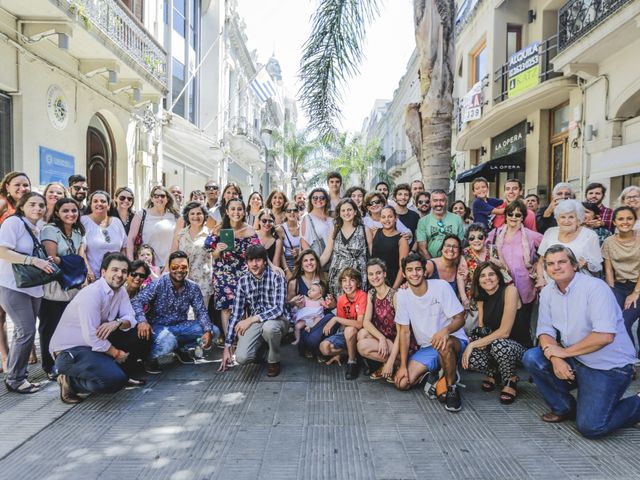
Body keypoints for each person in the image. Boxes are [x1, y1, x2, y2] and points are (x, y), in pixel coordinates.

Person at [522, 246, 640, 438]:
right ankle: (564, 408)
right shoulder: (548, 292)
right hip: (577, 359)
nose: (556, 267)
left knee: (592, 427)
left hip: (609, 367)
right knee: (532, 357)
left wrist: (564, 354)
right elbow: (544, 330)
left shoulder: (595, 288)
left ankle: (636, 404)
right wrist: (555, 358)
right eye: (550, 264)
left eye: (562, 262)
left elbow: (604, 336)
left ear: (575, 265)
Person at [50, 253, 147, 404]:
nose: (119, 275)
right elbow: (92, 336)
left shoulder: (120, 291)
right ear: (103, 272)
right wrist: (115, 353)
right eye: (114, 270)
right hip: (70, 351)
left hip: (92, 345)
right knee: (114, 380)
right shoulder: (92, 294)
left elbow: (131, 318)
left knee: (139, 334)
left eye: (123, 271)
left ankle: (120, 373)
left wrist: (117, 322)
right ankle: (69, 380)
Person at [393, 253, 467, 413]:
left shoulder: (441, 286)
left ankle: (452, 387)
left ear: (424, 270)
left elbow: (460, 318)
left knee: (444, 344)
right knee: (402, 383)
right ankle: (437, 374)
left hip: (452, 341)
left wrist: (445, 331)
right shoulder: (402, 296)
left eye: (418, 269)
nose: (414, 273)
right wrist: (403, 366)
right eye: (410, 270)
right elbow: (404, 333)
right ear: (404, 274)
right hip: (428, 347)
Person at [0, 192, 54, 394]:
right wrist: (33, 261)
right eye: (32, 204)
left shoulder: (38, 227)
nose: (38, 208)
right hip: (12, 285)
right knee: (26, 331)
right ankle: (15, 379)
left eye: (41, 205)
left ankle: (18, 376)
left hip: (34, 287)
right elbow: (2, 251)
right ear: (22, 206)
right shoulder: (13, 223)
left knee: (24, 334)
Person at [131, 251, 217, 368]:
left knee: (214, 331)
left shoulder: (193, 287)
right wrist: (142, 321)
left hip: (181, 325)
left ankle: (182, 349)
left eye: (183, 267)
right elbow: (137, 300)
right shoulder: (159, 283)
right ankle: (149, 358)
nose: (179, 270)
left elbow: (201, 311)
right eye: (175, 267)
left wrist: (207, 331)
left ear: (188, 268)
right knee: (168, 342)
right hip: (159, 326)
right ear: (169, 267)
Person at [462, 263, 529, 404]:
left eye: (491, 274)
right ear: (478, 281)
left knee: (499, 344)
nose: (487, 278)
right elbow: (482, 328)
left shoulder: (510, 291)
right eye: (483, 275)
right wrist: (478, 340)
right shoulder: (481, 298)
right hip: (495, 345)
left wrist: (472, 345)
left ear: (498, 277)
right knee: (473, 357)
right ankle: (493, 371)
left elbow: (505, 332)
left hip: (518, 348)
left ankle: (510, 379)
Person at [219, 245, 287, 377]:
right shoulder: (243, 281)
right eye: (251, 261)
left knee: (269, 328)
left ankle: (274, 360)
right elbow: (236, 313)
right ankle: (264, 350)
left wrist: (250, 319)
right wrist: (227, 347)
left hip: (277, 320)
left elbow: (278, 309)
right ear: (247, 263)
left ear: (265, 261)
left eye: (258, 260)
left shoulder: (276, 277)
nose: (254, 264)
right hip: (257, 322)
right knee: (242, 358)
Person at [38, 198, 86, 378]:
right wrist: (70, 261)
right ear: (57, 212)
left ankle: (65, 362)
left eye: (74, 210)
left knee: (68, 327)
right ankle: (49, 365)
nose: (71, 214)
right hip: (52, 288)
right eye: (65, 210)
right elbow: (51, 259)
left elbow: (78, 257)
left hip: (71, 287)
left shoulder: (77, 232)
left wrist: (68, 261)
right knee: (49, 327)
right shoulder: (50, 229)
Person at [206, 198, 260, 339]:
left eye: (239, 209)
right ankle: (229, 340)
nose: (236, 212)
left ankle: (241, 340)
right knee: (226, 309)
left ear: (244, 211)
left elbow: (258, 254)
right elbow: (212, 254)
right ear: (227, 212)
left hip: (244, 273)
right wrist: (218, 250)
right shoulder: (218, 229)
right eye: (233, 209)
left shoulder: (250, 230)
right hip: (223, 273)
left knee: (242, 307)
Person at [356, 259, 418, 380]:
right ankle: (391, 365)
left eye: (378, 273)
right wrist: (381, 338)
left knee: (362, 346)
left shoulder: (394, 296)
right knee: (362, 334)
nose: (375, 277)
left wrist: (390, 360)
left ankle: (395, 364)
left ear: (384, 274)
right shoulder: (371, 293)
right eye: (371, 274)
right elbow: (366, 322)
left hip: (399, 341)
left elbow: (402, 332)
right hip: (386, 337)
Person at [490, 200, 542, 335]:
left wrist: (538, 266)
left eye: (518, 215)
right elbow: (482, 249)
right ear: (505, 215)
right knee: (503, 319)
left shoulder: (531, 235)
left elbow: (549, 248)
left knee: (522, 322)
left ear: (523, 217)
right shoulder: (495, 233)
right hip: (502, 283)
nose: (514, 217)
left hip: (525, 286)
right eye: (510, 214)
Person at [0, 171, 31, 373]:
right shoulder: (3, 205)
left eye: (25, 185)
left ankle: (20, 358)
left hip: (19, 270)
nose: (22, 189)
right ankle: (4, 357)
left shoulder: (29, 206)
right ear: (7, 187)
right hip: (3, 265)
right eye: (17, 185)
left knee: (20, 318)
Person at [536, 199, 602, 284]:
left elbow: (598, 269)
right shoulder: (550, 232)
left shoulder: (590, 235)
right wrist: (541, 279)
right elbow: (541, 262)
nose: (566, 221)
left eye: (571, 217)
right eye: (563, 217)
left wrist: (586, 265)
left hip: (579, 285)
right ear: (557, 220)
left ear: (578, 219)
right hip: (550, 285)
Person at [602, 206, 640, 353]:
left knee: (624, 321)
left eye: (629, 218)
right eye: (621, 219)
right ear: (615, 222)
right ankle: (623, 359)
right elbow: (609, 270)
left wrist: (636, 292)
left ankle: (629, 358)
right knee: (615, 321)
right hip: (618, 286)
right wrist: (611, 292)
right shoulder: (609, 242)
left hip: (637, 286)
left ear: (635, 221)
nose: (625, 222)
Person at [319, 267, 367, 379]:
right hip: (348, 333)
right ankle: (354, 353)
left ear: (358, 283)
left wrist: (335, 319)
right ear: (341, 283)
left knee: (350, 329)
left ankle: (352, 361)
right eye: (344, 280)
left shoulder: (362, 296)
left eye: (352, 280)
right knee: (324, 348)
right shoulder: (341, 299)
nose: (348, 284)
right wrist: (339, 352)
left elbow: (360, 324)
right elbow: (344, 325)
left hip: (362, 334)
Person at [320, 199, 372, 298]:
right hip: (338, 276)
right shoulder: (335, 230)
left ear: (355, 211)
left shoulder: (364, 230)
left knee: (358, 307)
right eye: (343, 210)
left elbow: (372, 256)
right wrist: (314, 268)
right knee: (339, 306)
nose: (346, 213)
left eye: (349, 210)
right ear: (339, 213)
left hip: (358, 276)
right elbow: (326, 254)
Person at [289, 249, 335, 357]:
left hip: (321, 319)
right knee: (309, 335)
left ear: (317, 262)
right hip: (305, 322)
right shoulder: (294, 282)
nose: (309, 263)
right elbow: (287, 304)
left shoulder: (325, 278)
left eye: (312, 260)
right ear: (301, 264)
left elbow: (333, 305)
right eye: (305, 260)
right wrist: (294, 302)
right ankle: (314, 347)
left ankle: (315, 347)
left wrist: (331, 303)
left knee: (331, 318)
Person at [168, 202, 213, 307]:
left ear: (204, 216)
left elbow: (216, 257)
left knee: (201, 315)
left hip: (203, 282)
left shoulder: (210, 235)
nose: (195, 216)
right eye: (192, 213)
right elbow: (172, 257)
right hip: (182, 281)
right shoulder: (180, 235)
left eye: (199, 213)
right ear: (187, 216)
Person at [127, 185, 179, 269]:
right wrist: (131, 262)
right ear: (151, 199)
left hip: (169, 265)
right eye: (156, 196)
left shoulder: (175, 216)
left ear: (167, 199)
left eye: (162, 196)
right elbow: (130, 239)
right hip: (147, 265)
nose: (159, 198)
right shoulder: (141, 215)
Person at [81, 190, 127, 282]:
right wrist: (88, 271)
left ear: (109, 206)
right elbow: (81, 250)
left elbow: (123, 249)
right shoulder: (83, 221)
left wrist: (123, 271)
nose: (99, 203)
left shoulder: (117, 222)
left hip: (115, 278)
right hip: (93, 277)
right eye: (95, 201)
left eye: (103, 201)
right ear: (91, 205)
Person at [416, 189, 465, 259]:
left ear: (446, 202)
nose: (438, 204)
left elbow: (460, 245)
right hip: (431, 263)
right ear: (430, 203)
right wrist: (433, 265)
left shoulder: (457, 219)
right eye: (435, 201)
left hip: (452, 263)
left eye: (442, 200)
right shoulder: (423, 221)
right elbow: (422, 249)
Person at [371, 206, 409, 289]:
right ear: (380, 219)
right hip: (374, 280)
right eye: (383, 217)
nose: (387, 220)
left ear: (396, 218)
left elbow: (402, 267)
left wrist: (394, 289)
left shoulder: (402, 239)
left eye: (390, 216)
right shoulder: (374, 232)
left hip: (392, 281)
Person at [458, 224, 493, 309]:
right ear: (468, 241)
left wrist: (494, 261)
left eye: (480, 237)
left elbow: (505, 269)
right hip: (474, 296)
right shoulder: (465, 253)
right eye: (472, 238)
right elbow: (460, 278)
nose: (476, 240)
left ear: (485, 238)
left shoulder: (493, 249)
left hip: (493, 294)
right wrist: (464, 299)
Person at [300, 187, 333, 259]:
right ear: (311, 200)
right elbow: (304, 242)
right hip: (319, 258)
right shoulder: (307, 218)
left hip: (334, 259)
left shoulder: (332, 218)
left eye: (322, 198)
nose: (318, 200)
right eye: (315, 198)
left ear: (326, 200)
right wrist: (313, 261)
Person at [278, 201, 301, 275]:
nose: (292, 212)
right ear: (285, 213)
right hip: (288, 263)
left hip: (302, 261)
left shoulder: (304, 226)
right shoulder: (281, 229)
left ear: (298, 212)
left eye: (295, 210)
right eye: (289, 211)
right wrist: (287, 271)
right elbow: (280, 253)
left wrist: (300, 251)